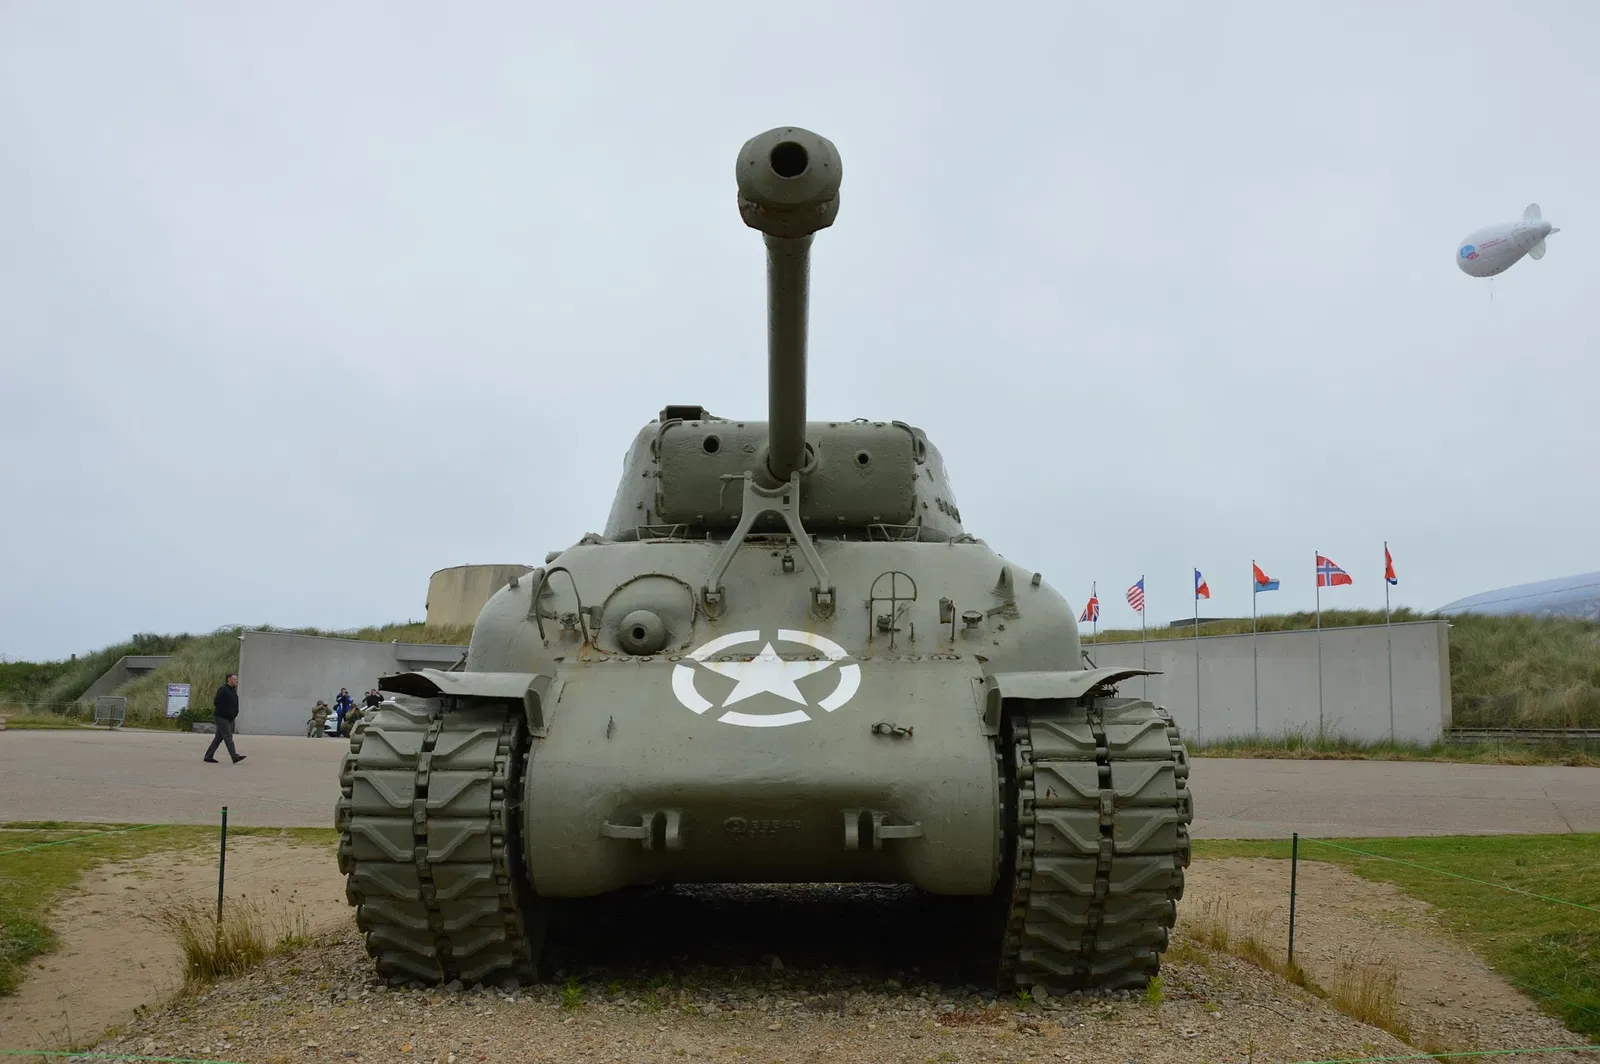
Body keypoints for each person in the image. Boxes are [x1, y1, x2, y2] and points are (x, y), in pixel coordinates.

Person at [205, 673, 246, 764]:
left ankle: (208, 756)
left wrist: (234, 714)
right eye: (235, 679)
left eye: (236, 679)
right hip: (222, 717)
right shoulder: (223, 690)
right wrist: (226, 713)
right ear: (229, 680)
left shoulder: (232, 690)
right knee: (228, 736)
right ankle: (234, 756)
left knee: (218, 738)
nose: (236, 681)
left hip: (229, 718)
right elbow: (217, 702)